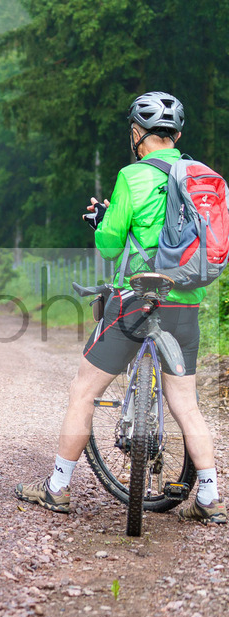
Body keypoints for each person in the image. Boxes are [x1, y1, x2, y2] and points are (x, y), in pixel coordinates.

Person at [15, 91, 224, 525]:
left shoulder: (133, 176)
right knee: (186, 404)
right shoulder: (205, 175)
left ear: (136, 133)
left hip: (138, 300)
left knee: (83, 391)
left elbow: (110, 245)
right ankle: (210, 496)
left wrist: (101, 222)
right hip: (186, 301)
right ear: (178, 135)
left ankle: (57, 488)